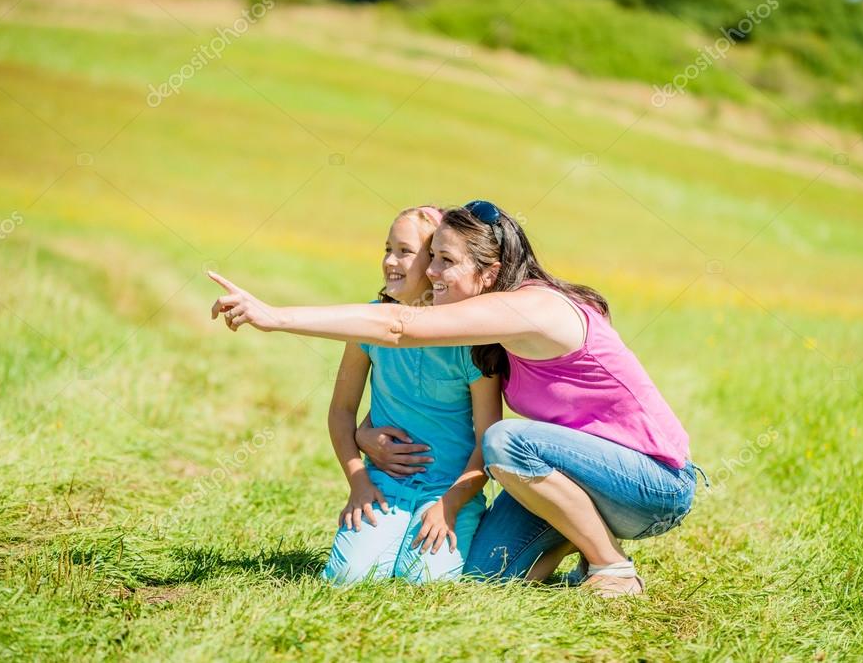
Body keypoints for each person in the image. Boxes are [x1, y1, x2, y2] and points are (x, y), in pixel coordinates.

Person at [209, 200, 709, 597]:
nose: (430, 272)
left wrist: (274, 316)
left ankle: (611, 566)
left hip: (653, 485)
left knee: (507, 441)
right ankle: (579, 534)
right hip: (583, 476)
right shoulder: (490, 326)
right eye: (434, 257)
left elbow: (400, 326)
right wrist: (362, 433)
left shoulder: (531, 308)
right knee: (487, 577)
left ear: (488, 275)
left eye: (445, 261)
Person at [295, 206, 502, 584]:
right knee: (348, 579)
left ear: (435, 263)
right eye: (387, 249)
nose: (390, 261)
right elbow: (342, 410)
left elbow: (487, 440)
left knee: (424, 582)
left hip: (450, 491)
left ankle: (481, 528)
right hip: (384, 484)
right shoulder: (368, 325)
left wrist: (450, 505)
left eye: (405, 252)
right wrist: (358, 480)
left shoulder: (472, 339)